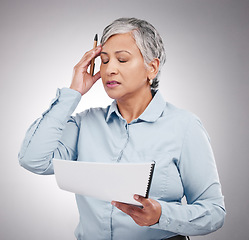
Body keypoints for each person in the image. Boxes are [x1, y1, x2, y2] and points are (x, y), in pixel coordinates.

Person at [18, 17, 226, 240]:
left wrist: (161, 215)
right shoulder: (85, 123)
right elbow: (33, 159)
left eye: (122, 60)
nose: (110, 70)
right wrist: (73, 93)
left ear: (152, 68)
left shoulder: (185, 127)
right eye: (105, 61)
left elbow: (213, 212)